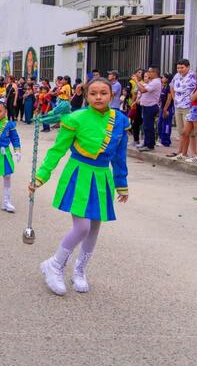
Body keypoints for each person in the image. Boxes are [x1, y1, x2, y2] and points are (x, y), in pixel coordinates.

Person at [30, 77, 129, 296]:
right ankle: (54, 264)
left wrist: (122, 184)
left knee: (94, 229)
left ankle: (80, 271)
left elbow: (120, 157)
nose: (98, 97)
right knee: (82, 227)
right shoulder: (76, 118)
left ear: (112, 95)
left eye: (103, 93)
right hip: (79, 174)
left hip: (103, 177)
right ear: (86, 96)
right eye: (93, 93)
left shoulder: (120, 120)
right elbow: (58, 150)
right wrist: (41, 176)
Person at [165, 59, 196, 159]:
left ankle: (193, 154)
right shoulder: (176, 76)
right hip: (178, 106)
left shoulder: (192, 76)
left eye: (182, 68)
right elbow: (171, 87)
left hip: (188, 106)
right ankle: (181, 151)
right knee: (181, 131)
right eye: (178, 68)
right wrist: (174, 99)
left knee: (190, 132)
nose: (180, 70)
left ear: (188, 67)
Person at [135, 66, 162, 152]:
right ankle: (146, 143)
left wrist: (136, 81)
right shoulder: (152, 81)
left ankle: (150, 145)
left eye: (150, 72)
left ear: (155, 73)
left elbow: (143, 90)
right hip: (146, 106)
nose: (148, 73)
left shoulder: (156, 82)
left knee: (149, 126)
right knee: (146, 126)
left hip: (150, 106)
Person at [158, 73, 174, 147]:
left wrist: (165, 109)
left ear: (167, 79)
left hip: (167, 108)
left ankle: (166, 141)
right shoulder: (164, 87)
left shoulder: (169, 87)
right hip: (162, 108)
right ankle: (162, 139)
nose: (162, 79)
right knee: (160, 124)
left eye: (163, 77)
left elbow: (169, 99)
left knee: (166, 125)